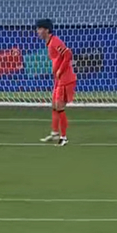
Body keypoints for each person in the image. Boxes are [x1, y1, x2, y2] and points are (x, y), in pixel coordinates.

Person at [36, 18, 76, 146]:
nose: (37, 31)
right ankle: (54, 133)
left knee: (60, 107)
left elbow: (68, 54)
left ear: (47, 30)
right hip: (58, 80)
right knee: (54, 105)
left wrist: (60, 70)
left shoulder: (55, 41)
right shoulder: (49, 43)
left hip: (65, 79)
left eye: (40, 29)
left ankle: (63, 137)